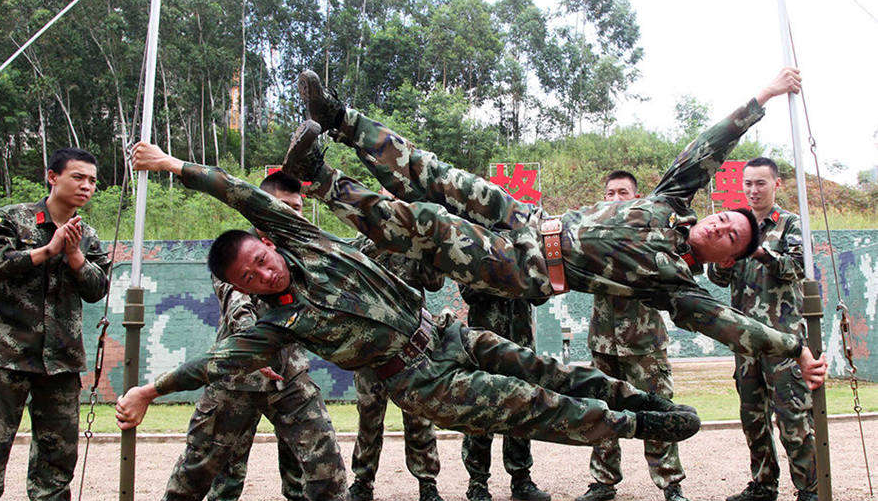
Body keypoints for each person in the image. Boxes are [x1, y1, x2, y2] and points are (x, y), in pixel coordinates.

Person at [117, 143, 704, 464]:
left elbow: (240, 191)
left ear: (268, 244)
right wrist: (148, 390)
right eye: (251, 277)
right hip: (422, 381)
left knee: (548, 368)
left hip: (445, 333)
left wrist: (173, 167)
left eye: (260, 259)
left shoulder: (300, 239)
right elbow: (211, 365)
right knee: (531, 404)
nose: (264, 273)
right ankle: (637, 425)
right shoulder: (274, 324)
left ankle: (645, 402)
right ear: (242, 290)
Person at [281, 67, 826, 391]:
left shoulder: (674, 286)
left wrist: (794, 347)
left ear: (725, 261)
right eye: (725, 215)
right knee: (437, 174)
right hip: (527, 219)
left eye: (730, 235)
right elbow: (707, 147)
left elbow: (732, 326)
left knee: (427, 226)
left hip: (530, 267)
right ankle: (339, 118)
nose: (720, 224)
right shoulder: (665, 202)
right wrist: (763, 98)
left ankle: (322, 179)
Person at [134, 171, 375, 501]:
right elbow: (238, 305)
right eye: (285, 207)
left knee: (322, 451)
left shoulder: (297, 251)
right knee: (202, 456)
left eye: (296, 208)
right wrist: (253, 350)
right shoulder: (237, 256)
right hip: (236, 376)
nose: (293, 214)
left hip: (289, 377)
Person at [0, 148, 110, 501]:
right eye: (78, 178)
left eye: (92, 180)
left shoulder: (87, 237)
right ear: (52, 177)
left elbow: (97, 288)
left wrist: (74, 257)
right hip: (5, 357)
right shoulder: (10, 220)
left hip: (61, 360)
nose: (86, 186)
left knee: (58, 450)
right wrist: (45, 251)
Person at [707, 156, 818, 501]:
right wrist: (721, 262)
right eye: (748, 184)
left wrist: (758, 250)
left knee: (793, 417)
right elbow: (719, 280)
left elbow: (797, 267)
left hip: (783, 341)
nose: (753, 191)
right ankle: (763, 482)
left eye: (761, 184)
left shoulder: (789, 224)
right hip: (746, 343)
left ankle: (809, 491)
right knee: (752, 417)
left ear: (776, 185)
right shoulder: (735, 224)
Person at [573, 171, 690, 501]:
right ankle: (603, 480)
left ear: (637, 199)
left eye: (623, 192)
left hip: (644, 342)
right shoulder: (590, 236)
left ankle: (671, 482)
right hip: (603, 342)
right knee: (602, 411)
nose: (615, 198)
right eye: (609, 193)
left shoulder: (652, 235)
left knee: (658, 409)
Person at [346, 234, 449, 501]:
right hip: (370, 342)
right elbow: (351, 276)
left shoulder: (415, 238)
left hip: (411, 343)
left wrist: (425, 244)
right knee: (369, 415)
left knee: (419, 415)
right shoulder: (363, 240)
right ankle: (363, 482)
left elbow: (435, 282)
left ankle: (427, 484)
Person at [458, 286, 551, 501]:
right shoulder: (476, 249)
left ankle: (521, 478)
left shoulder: (527, 249)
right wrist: (502, 274)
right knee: (481, 408)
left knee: (521, 407)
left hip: (520, 343)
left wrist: (525, 273)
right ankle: (477, 483)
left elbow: (541, 295)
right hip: (484, 343)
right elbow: (468, 292)